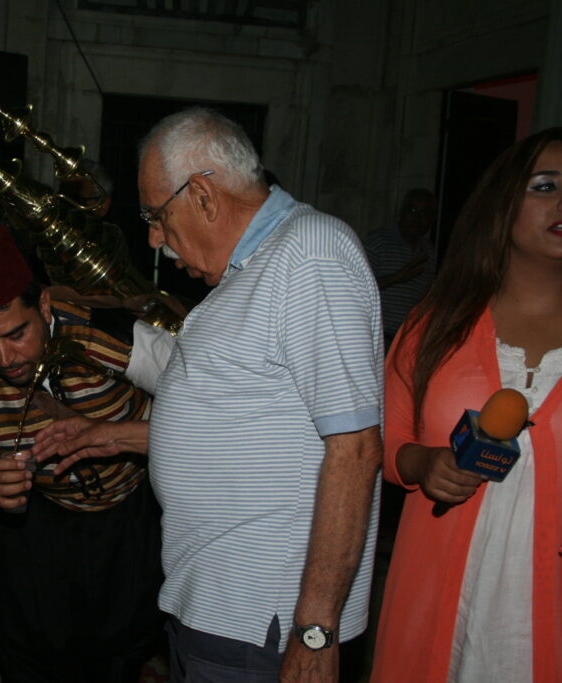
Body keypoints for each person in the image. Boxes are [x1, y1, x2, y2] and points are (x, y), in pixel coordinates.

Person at [33, 107, 383, 682]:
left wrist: (315, 631)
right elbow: (248, 433)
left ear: (202, 195)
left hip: (265, 621)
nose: (153, 237)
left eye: (155, 215)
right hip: (221, 608)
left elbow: (355, 448)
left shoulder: (309, 254)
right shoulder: (253, 269)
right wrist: (115, 437)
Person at [0, 224, 173, 683]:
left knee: (123, 646)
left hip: (134, 512)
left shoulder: (118, 339)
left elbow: (217, 423)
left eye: (16, 333)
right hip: (43, 519)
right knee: (34, 650)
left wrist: (120, 435)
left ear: (43, 304)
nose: (4, 358)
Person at [371, 128, 562, 682]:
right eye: (545, 186)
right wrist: (425, 464)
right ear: (502, 204)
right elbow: (385, 444)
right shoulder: (435, 326)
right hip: (440, 590)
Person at [364, 188, 438, 346]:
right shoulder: (378, 242)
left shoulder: (429, 253)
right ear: (401, 212)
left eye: (424, 213)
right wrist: (396, 278)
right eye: (412, 210)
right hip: (377, 340)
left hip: (409, 343)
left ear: (432, 219)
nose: (417, 218)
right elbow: (358, 287)